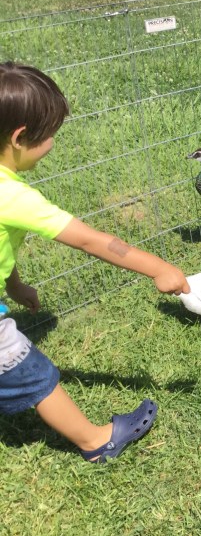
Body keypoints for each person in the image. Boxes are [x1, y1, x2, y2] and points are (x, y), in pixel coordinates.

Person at [0, 61, 190, 462]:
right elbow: (91, 241)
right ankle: (96, 441)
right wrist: (159, 268)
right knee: (31, 372)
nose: (53, 142)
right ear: (19, 137)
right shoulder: (13, 197)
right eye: (49, 135)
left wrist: (13, 285)